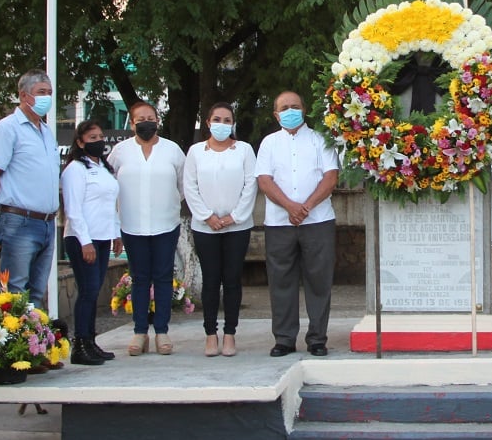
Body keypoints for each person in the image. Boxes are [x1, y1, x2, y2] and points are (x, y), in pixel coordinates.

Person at [256, 91, 339, 357]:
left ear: (304, 110)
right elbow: (265, 180)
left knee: (319, 281)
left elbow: (330, 177)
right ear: (276, 114)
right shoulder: (268, 143)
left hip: (318, 221)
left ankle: (317, 338)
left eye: (295, 106)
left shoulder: (319, 140)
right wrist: (290, 207)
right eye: (284, 107)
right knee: (281, 281)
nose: (290, 111)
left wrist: (306, 207)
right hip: (280, 223)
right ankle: (284, 338)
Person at [107, 101, 185, 357]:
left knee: (163, 277)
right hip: (132, 224)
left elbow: (183, 186)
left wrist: (167, 203)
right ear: (131, 123)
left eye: (150, 117)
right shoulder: (120, 152)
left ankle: (161, 331)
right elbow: (109, 186)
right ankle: (140, 332)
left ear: (158, 120)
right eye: (140, 119)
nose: (146, 122)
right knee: (139, 278)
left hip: (165, 223)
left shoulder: (172, 150)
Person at [0, 69, 60, 308]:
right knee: (15, 293)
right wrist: (3, 207)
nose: (47, 98)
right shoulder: (8, 129)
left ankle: (35, 343)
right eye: (41, 92)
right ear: (24, 96)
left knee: (36, 294)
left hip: (46, 223)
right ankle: (14, 343)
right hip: (19, 222)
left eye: (49, 93)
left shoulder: (46, 132)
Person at [183, 102, 257, 358]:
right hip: (205, 228)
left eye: (227, 120)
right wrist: (207, 216)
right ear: (207, 123)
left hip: (238, 226)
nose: (222, 124)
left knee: (233, 280)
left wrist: (234, 217)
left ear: (233, 124)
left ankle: (230, 334)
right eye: (217, 119)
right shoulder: (195, 152)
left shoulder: (244, 150)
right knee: (211, 281)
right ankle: (210, 335)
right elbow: (189, 186)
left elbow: (251, 185)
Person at [60, 119, 121, 365]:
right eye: (92, 138)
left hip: (103, 236)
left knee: (94, 292)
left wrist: (116, 233)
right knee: (87, 291)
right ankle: (80, 344)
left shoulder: (104, 168)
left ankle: (91, 341)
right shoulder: (75, 169)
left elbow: (110, 205)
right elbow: (73, 210)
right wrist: (85, 242)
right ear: (80, 142)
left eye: (100, 137)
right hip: (82, 238)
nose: (98, 141)